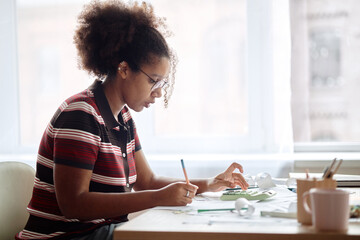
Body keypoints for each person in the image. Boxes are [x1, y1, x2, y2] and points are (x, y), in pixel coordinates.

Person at [16, 1, 249, 239]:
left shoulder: (123, 119)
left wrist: (209, 184)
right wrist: (158, 198)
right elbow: (74, 205)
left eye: (162, 84)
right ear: (124, 69)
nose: (158, 92)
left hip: (99, 233)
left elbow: (147, 181)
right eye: (153, 81)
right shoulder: (81, 115)